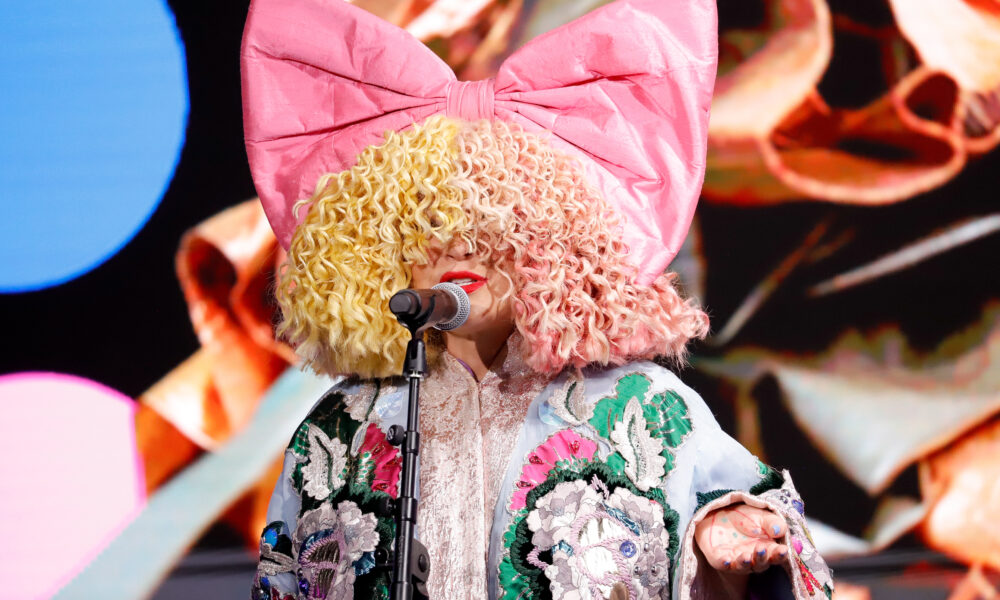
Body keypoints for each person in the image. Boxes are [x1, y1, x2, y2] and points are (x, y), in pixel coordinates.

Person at [241, 0, 834, 598]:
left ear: (550, 247)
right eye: (431, 223)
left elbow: (771, 544)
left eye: (493, 223)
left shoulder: (644, 406)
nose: (461, 246)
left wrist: (723, 543)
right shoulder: (340, 426)